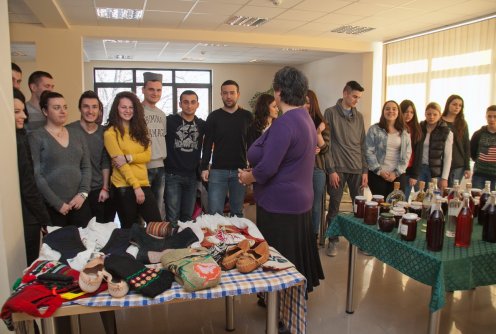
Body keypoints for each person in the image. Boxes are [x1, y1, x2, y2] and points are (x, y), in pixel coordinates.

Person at [238, 66, 324, 293]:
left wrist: (248, 177)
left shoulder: (286, 123)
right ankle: (291, 299)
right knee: (294, 255)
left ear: (278, 92)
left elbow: (267, 168)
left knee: (280, 259)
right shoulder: (304, 118)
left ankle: (282, 305)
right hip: (299, 199)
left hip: (281, 202)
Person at [29, 91, 92, 227]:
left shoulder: (78, 135)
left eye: (65, 107)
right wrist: (57, 203)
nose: (62, 111)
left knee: (86, 244)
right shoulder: (36, 137)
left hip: (80, 203)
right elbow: (36, 175)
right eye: (56, 108)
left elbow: (86, 167)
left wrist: (83, 194)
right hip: (54, 208)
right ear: (45, 111)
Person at [104, 91, 162, 228]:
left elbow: (147, 156)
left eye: (131, 107)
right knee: (131, 231)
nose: (127, 111)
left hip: (143, 183)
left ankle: (154, 249)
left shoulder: (141, 130)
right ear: (116, 109)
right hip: (123, 186)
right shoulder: (110, 133)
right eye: (123, 107)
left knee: (158, 226)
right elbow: (121, 165)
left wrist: (128, 157)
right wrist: (136, 187)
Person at [323, 81, 368, 257]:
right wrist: (331, 170)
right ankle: (332, 240)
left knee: (359, 209)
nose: (357, 100)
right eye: (355, 96)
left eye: (359, 97)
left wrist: (365, 170)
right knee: (334, 207)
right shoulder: (330, 113)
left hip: (357, 168)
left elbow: (362, 144)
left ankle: (359, 241)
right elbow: (327, 144)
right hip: (338, 168)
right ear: (345, 93)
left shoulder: (360, 117)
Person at [201, 80, 253, 217]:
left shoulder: (247, 116)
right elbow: (207, 145)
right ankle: (217, 238)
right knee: (215, 213)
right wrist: (204, 167)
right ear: (221, 95)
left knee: (237, 212)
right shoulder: (213, 117)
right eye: (225, 93)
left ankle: (236, 239)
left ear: (238, 94)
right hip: (218, 171)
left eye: (232, 93)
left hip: (240, 171)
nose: (228, 96)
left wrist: (253, 167)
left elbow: (253, 144)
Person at [14, 88, 51, 264]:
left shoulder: (20, 137)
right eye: (16, 112)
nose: (23, 116)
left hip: (29, 212)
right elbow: (29, 182)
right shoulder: (19, 141)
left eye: (23, 111)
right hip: (26, 214)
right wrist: (45, 218)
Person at [67, 91, 115, 223]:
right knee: (82, 233)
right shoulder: (69, 131)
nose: (90, 111)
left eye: (94, 107)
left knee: (102, 230)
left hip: (99, 190)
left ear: (99, 109)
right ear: (79, 108)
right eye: (86, 106)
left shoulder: (104, 132)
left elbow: (105, 161)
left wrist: (105, 187)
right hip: (77, 191)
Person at [164, 90, 205, 224]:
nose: (189, 105)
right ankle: (171, 243)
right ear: (180, 104)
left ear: (197, 105)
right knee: (172, 217)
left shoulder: (201, 124)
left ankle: (183, 244)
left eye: (193, 102)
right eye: (186, 102)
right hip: (172, 176)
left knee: (188, 217)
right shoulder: (169, 121)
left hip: (192, 177)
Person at [365, 100, 412, 197]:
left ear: (398, 112)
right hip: (377, 174)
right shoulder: (374, 129)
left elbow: (407, 155)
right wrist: (379, 171)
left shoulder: (404, 132)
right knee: (380, 206)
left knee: (397, 206)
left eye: (394, 109)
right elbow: (369, 151)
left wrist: (396, 173)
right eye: (387, 109)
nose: (391, 111)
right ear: (383, 112)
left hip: (398, 175)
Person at [303, 89, 329, 237]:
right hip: (299, 170)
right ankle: (301, 234)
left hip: (317, 169)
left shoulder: (322, 123)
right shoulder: (295, 122)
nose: (305, 106)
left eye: (307, 103)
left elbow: (325, 148)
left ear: (313, 104)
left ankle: (313, 236)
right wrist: (309, 148)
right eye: (302, 102)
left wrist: (318, 132)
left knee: (315, 206)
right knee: (300, 204)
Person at [142, 72, 167, 219]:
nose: (155, 93)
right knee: (140, 209)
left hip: (160, 167)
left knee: (157, 210)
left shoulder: (162, 114)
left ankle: (154, 239)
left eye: (158, 90)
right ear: (143, 90)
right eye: (151, 89)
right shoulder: (136, 112)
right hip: (142, 167)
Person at [416, 102, 453, 192]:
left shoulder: (447, 132)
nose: (431, 117)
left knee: (433, 198)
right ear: (425, 114)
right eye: (429, 114)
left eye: (435, 114)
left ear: (440, 115)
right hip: (419, 169)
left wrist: (444, 178)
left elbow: (448, 157)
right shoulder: (419, 128)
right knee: (418, 197)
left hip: (435, 172)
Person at [441, 95, 471, 187]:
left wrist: (467, 167)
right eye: (454, 104)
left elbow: (466, 145)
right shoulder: (440, 121)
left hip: (458, 165)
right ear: (448, 105)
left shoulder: (462, 123)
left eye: (460, 105)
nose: (457, 107)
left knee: (452, 194)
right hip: (441, 163)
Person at [400, 100, 422, 199]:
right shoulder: (395, 126)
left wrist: (414, 175)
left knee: (404, 198)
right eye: (406, 112)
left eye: (411, 112)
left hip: (409, 170)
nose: (409, 115)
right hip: (395, 169)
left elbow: (418, 153)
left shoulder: (417, 129)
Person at [470, 105, 496, 189]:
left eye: (495, 116)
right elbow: (472, 153)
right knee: (477, 200)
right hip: (479, 175)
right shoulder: (478, 134)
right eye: (489, 116)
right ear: (486, 117)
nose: (492, 119)